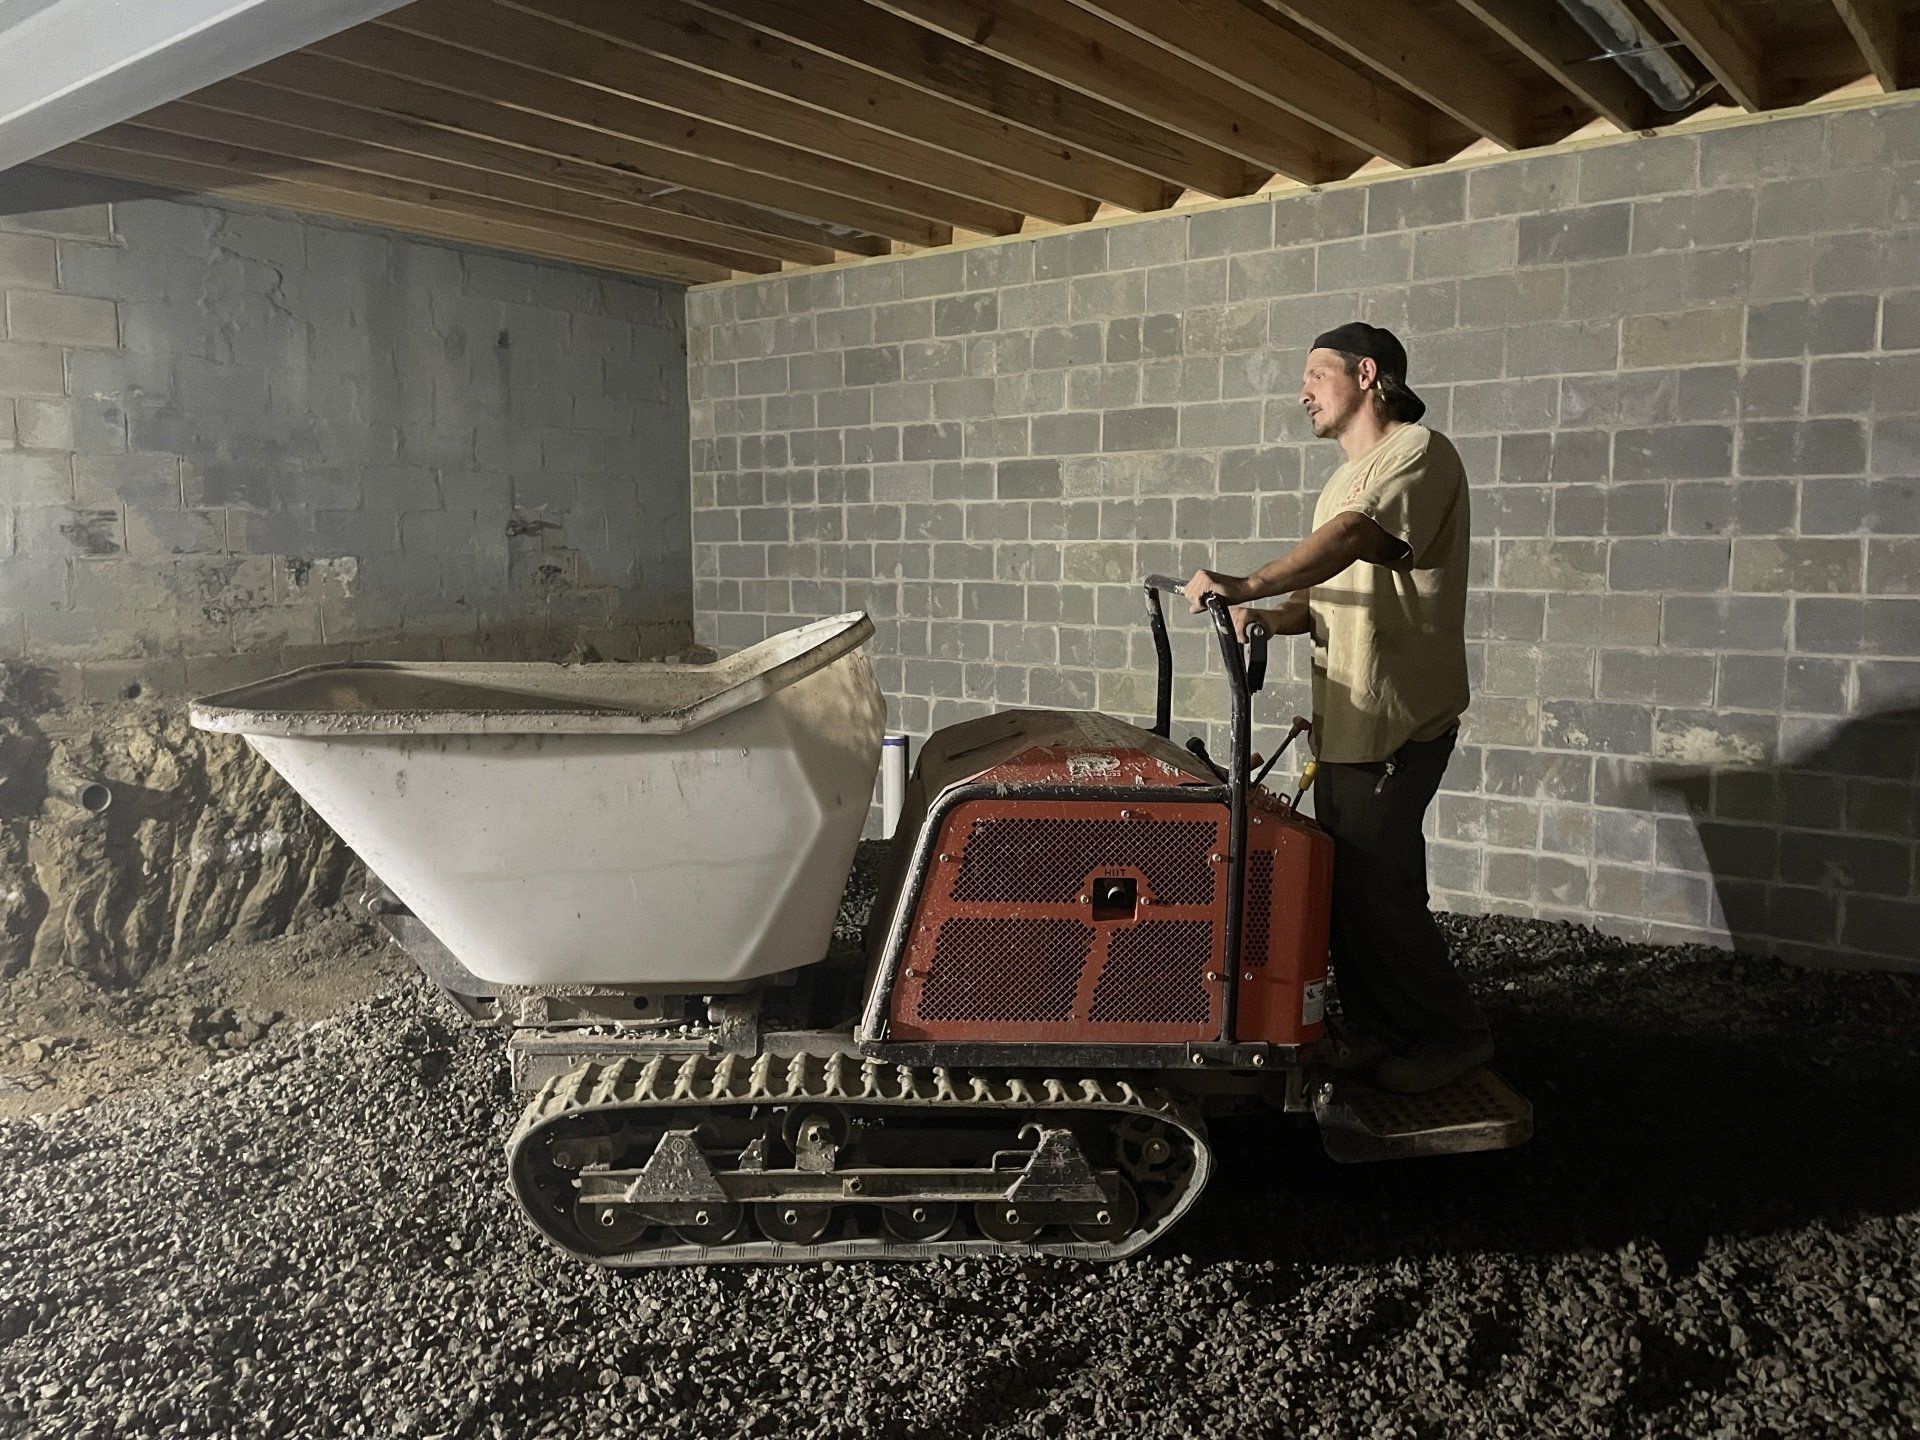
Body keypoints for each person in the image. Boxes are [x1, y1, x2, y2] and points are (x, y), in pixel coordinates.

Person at [1182, 323, 1491, 1095]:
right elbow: (1318, 599)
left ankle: (1450, 1036)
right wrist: (1265, 617)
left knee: (1380, 890)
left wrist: (1245, 584)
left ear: (1366, 374)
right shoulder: (1340, 482)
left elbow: (1357, 538)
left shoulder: (1419, 452)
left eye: (1316, 374)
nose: (1302, 392)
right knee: (1345, 884)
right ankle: (1385, 1030)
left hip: (1399, 719)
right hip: (1349, 725)